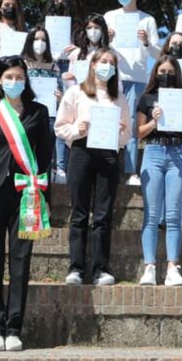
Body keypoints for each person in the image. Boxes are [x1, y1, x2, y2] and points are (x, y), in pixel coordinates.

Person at [0, 56, 53, 352]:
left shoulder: (39, 112)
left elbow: (45, 158)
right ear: (0, 80)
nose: (14, 82)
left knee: (21, 260)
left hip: (26, 194)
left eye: (19, 77)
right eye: (9, 77)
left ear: (26, 80)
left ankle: (14, 327)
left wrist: (43, 196)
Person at [54, 49, 132, 286]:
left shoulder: (118, 97)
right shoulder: (76, 92)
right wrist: (77, 128)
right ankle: (76, 268)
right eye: (103, 61)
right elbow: (60, 126)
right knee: (79, 212)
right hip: (81, 152)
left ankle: (100, 269)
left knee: (103, 214)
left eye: (111, 63)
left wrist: (119, 133)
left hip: (108, 156)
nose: (107, 66)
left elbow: (128, 133)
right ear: (93, 64)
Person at [136, 56, 182, 285]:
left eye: (170, 71)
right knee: (151, 214)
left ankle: (173, 266)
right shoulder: (146, 98)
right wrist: (154, 122)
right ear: (155, 73)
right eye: (162, 71)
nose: (166, 75)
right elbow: (139, 132)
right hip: (153, 151)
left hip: (177, 153)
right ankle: (150, 266)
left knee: (173, 215)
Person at [104, 0, 161, 187]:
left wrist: (145, 41)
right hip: (111, 76)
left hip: (137, 78)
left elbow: (157, 53)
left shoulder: (147, 20)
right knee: (109, 119)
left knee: (132, 122)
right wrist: (106, 40)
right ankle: (108, 168)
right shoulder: (109, 17)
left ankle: (130, 171)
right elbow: (99, 48)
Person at [159, 33, 182, 232]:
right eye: (173, 43)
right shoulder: (157, 69)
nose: (177, 47)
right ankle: (161, 219)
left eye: (181, 44)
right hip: (162, 128)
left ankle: (181, 218)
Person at [41, 0, 76, 183]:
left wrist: (74, 46)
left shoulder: (76, 28)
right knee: (49, 115)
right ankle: (51, 164)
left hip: (68, 66)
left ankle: (62, 166)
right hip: (48, 67)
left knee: (65, 114)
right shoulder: (43, 25)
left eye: (63, 0)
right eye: (56, 0)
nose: (60, 3)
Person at [22, 26, 64, 182]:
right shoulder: (22, 64)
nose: (40, 43)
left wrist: (60, 97)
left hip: (48, 116)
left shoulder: (54, 66)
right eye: (36, 39)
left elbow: (61, 92)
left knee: (44, 155)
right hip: (26, 115)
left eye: (43, 40)